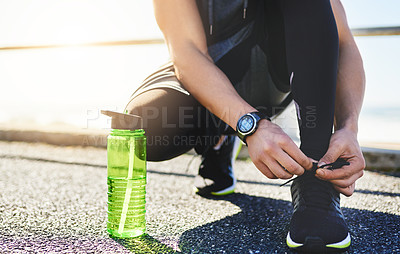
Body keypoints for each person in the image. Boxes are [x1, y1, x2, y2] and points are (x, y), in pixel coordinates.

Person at [125, 0, 365, 252]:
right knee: (143, 129)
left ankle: (318, 178)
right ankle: (219, 137)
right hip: (203, 71)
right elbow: (187, 51)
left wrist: (348, 128)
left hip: (274, 70)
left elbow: (343, 42)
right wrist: (250, 125)